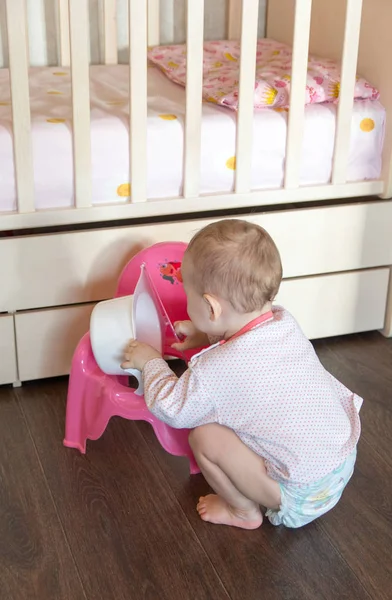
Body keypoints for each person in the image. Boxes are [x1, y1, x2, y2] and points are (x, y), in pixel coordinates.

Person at [121, 219, 362, 529]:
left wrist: (151, 361)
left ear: (211, 308)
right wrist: (206, 334)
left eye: (188, 295)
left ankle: (243, 512)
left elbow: (173, 408)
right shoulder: (283, 322)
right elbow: (246, 347)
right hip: (342, 458)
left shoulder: (216, 371)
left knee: (205, 436)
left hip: (303, 494)